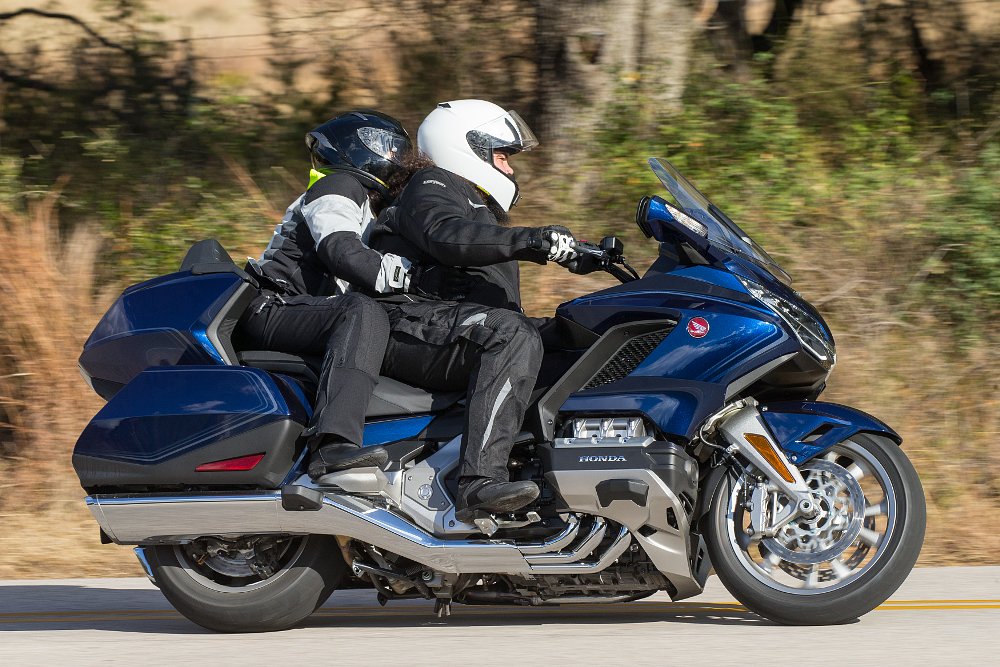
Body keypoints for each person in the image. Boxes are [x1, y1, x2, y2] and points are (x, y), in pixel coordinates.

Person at [371, 99, 583, 520]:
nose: (510, 170)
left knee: (579, 333)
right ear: (464, 147)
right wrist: (533, 240)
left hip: (448, 325)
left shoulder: (472, 206)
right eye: (502, 156)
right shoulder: (431, 184)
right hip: (408, 323)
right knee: (511, 334)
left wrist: (585, 255)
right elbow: (445, 235)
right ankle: (478, 483)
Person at [236, 110, 472, 479]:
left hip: (304, 311)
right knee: (360, 311)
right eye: (392, 148)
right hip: (272, 305)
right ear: (358, 148)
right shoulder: (339, 184)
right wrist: (412, 276)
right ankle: (332, 447)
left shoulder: (374, 208)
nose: (400, 159)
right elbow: (340, 250)